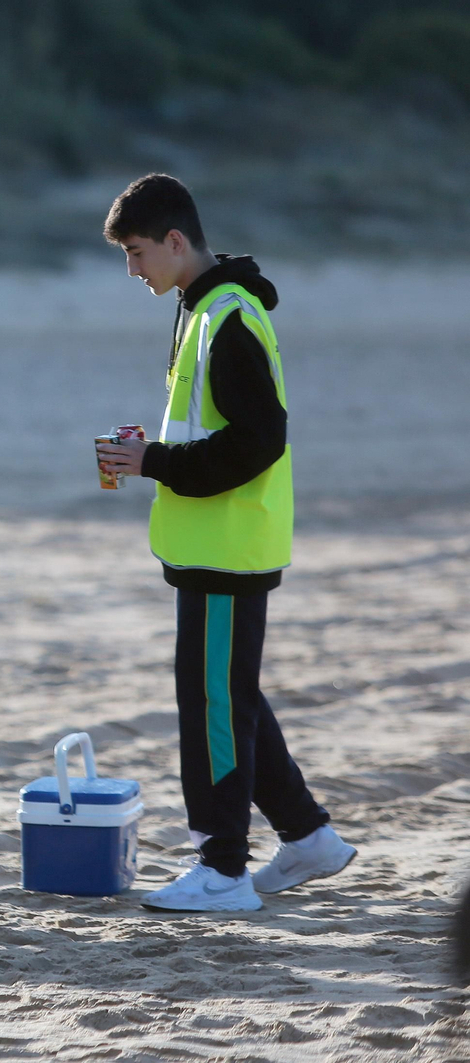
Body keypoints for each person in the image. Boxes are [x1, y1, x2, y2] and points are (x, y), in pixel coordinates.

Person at [97, 173, 356, 912]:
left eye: (138, 252)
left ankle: (222, 867)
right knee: (227, 695)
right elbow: (216, 430)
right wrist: (154, 454)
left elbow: (259, 441)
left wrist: (156, 462)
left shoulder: (227, 315)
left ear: (176, 242)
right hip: (213, 544)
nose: (133, 269)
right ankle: (308, 838)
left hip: (227, 547)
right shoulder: (200, 306)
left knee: (212, 702)